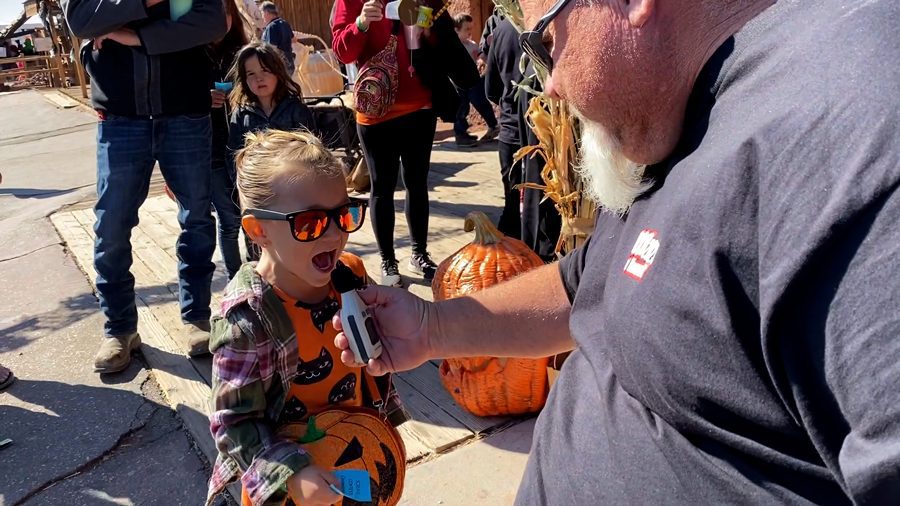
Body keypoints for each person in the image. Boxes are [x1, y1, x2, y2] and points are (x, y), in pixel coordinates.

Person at [334, 0, 900, 503]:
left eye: (546, 43)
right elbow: (588, 283)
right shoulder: (678, 111)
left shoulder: (852, 124)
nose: (550, 86)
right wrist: (433, 328)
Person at [206, 130, 405, 506]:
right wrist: (292, 473)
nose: (333, 235)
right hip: (289, 482)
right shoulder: (248, 319)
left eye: (343, 214)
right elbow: (234, 423)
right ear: (258, 230)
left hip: (356, 451)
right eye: (310, 223)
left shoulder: (351, 277)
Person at [63, 0, 225, 369]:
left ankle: (196, 318)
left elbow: (212, 22)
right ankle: (120, 329)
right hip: (120, 119)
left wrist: (133, 36)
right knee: (111, 226)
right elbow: (81, 20)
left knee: (197, 218)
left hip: (186, 111)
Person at [332, 0, 477, 287]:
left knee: (417, 183)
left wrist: (429, 32)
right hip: (376, 110)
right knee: (382, 187)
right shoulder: (352, 2)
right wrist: (361, 23)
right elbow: (342, 50)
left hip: (420, 107)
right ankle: (387, 259)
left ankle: (419, 253)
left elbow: (443, 47)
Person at [226, 41, 314, 262]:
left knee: (295, 246)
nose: (259, 78)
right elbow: (234, 153)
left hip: (293, 192)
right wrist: (241, 188)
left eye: (265, 71)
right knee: (258, 249)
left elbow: (312, 152)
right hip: (258, 195)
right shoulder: (241, 114)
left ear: (277, 71)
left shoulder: (296, 109)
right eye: (251, 74)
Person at [208, 0, 250, 280]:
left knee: (253, 217)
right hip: (209, 150)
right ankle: (237, 279)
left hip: (244, 147)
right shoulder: (189, 53)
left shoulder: (242, 53)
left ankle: (259, 273)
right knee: (229, 221)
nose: (220, 20)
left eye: (225, 13)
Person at [484, 16, 524, 239]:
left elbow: (491, 89)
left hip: (511, 131)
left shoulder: (502, 30)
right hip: (547, 136)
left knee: (512, 203)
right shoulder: (550, 23)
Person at [451, 13, 499, 148]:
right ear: (456, 30)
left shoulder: (472, 45)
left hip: (473, 81)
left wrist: (480, 61)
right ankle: (461, 135)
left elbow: (479, 57)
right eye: (466, 29)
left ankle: (493, 125)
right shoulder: (452, 46)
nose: (470, 32)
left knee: (482, 102)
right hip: (458, 83)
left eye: (471, 29)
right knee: (461, 108)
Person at [259, 1, 296, 75]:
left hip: (279, 66)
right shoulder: (285, 23)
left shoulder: (271, 26)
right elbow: (294, 39)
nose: (262, 17)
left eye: (262, 14)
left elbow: (271, 49)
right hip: (290, 64)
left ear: (266, 12)